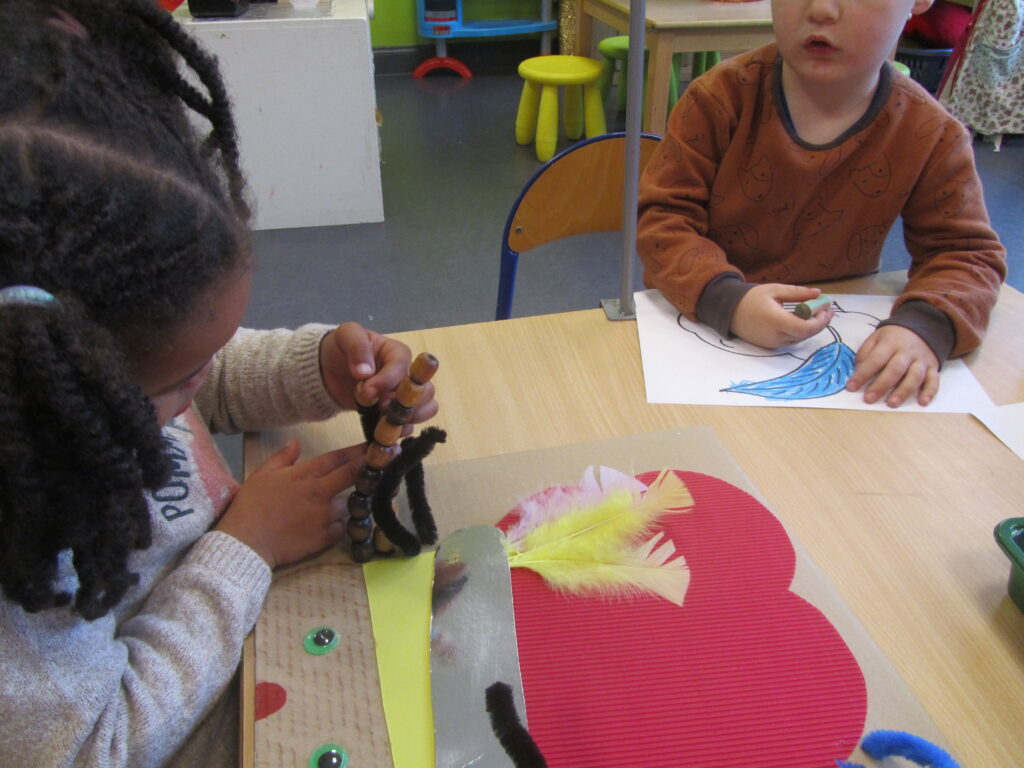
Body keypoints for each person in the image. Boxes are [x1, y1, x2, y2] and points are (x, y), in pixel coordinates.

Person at [0, 0, 436, 765]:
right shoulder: (23, 573)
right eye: (181, 378)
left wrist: (318, 368)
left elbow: (205, 376)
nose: (202, 381)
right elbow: (98, 744)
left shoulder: (109, 361)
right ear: (58, 380)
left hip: (243, 627)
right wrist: (245, 547)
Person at [637, 0, 1007, 408]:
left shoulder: (932, 133)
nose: (821, 10)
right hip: (699, 333)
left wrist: (925, 326)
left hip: (834, 349)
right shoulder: (717, 98)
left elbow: (966, 254)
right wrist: (730, 302)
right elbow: (663, 221)